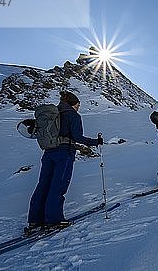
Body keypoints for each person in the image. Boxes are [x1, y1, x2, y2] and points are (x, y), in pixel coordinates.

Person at [27, 91, 103, 231]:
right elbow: (77, 137)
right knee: (58, 184)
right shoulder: (73, 115)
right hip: (64, 152)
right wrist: (95, 142)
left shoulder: (53, 115)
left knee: (43, 184)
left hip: (48, 153)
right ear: (73, 104)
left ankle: (35, 220)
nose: (79, 107)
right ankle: (53, 219)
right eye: (78, 105)